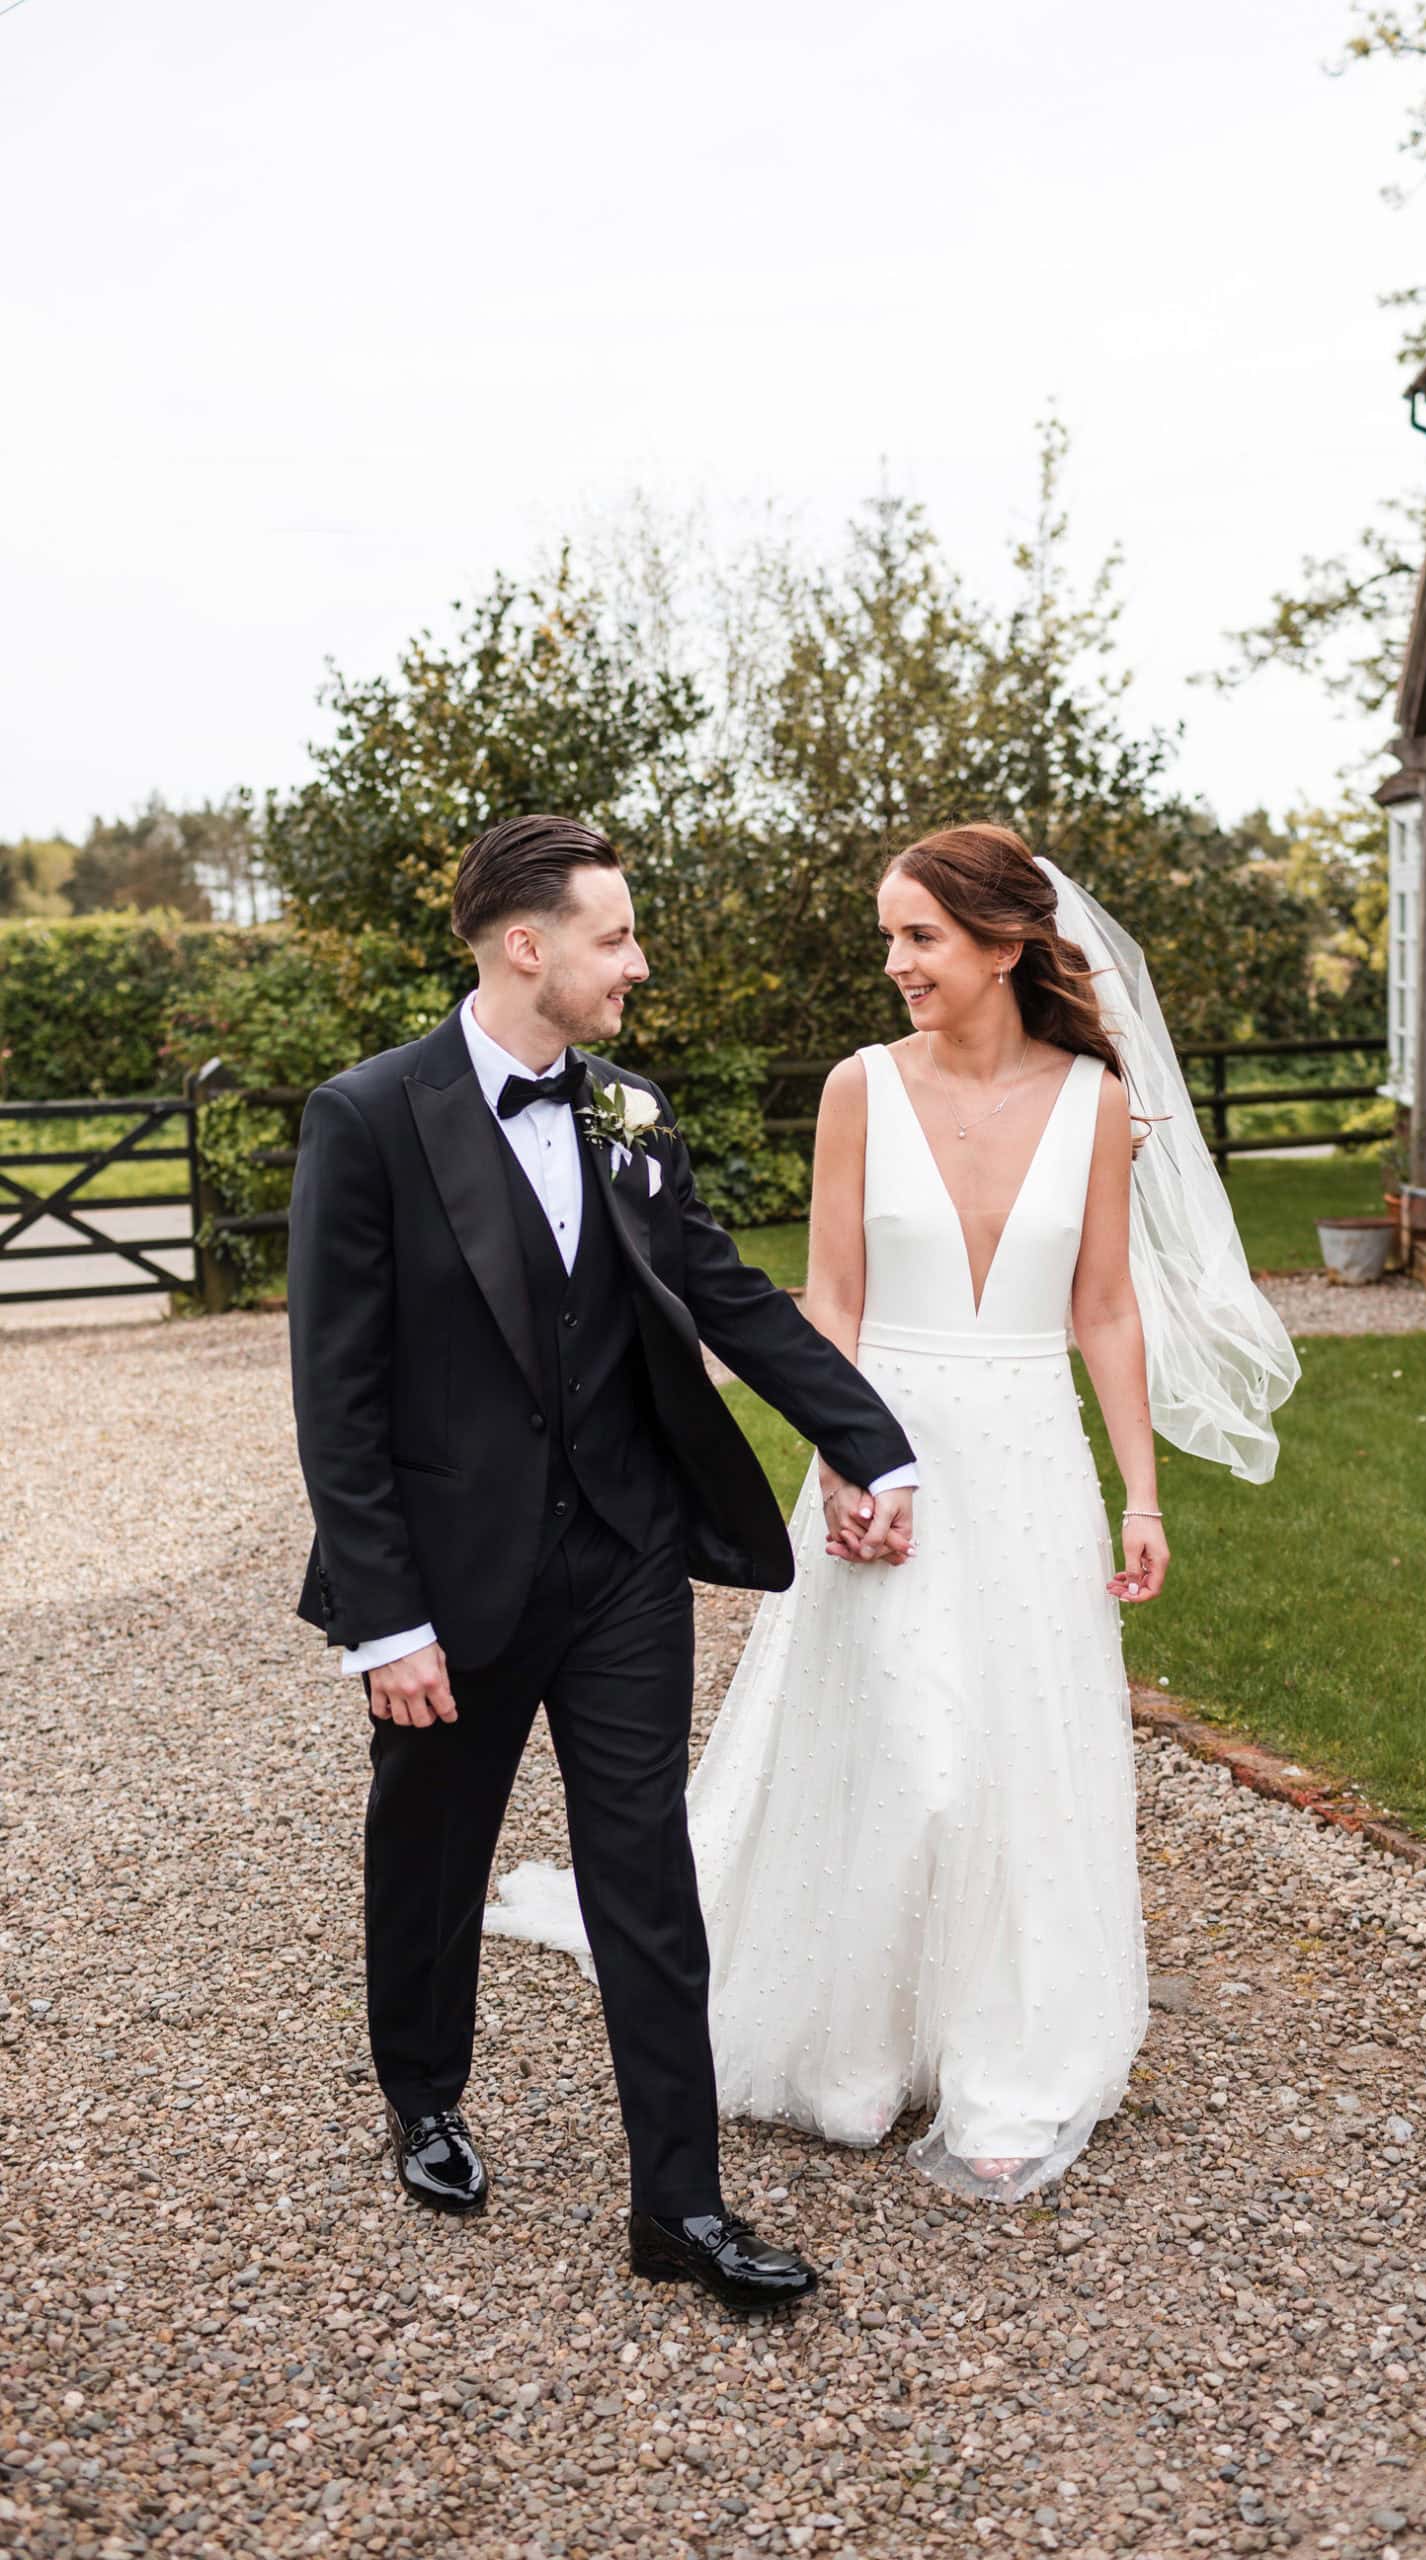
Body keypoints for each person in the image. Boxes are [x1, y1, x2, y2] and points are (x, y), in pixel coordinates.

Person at [488, 822, 1299, 2201]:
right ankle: (843, 2046)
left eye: (920, 936)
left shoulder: (1094, 1103)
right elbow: (833, 1302)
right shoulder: (860, 1087)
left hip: (1032, 1463)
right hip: (886, 1446)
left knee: (1010, 1757)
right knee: (898, 1746)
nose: (897, 963)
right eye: (891, 936)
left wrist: (1142, 1493)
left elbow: (1105, 1306)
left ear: (1002, 945)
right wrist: (854, 1457)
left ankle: (1003, 2058)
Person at [287, 812, 919, 2310]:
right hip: (452, 1575)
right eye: (615, 937)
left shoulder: (630, 1110)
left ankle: (680, 2207)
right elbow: (339, 1390)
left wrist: (871, 1441)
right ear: (530, 946)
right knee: (433, 1853)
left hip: (626, 1551)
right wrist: (387, 1623)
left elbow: (724, 1291)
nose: (636, 964)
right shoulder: (371, 1117)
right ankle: (425, 2095)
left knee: (646, 1868)